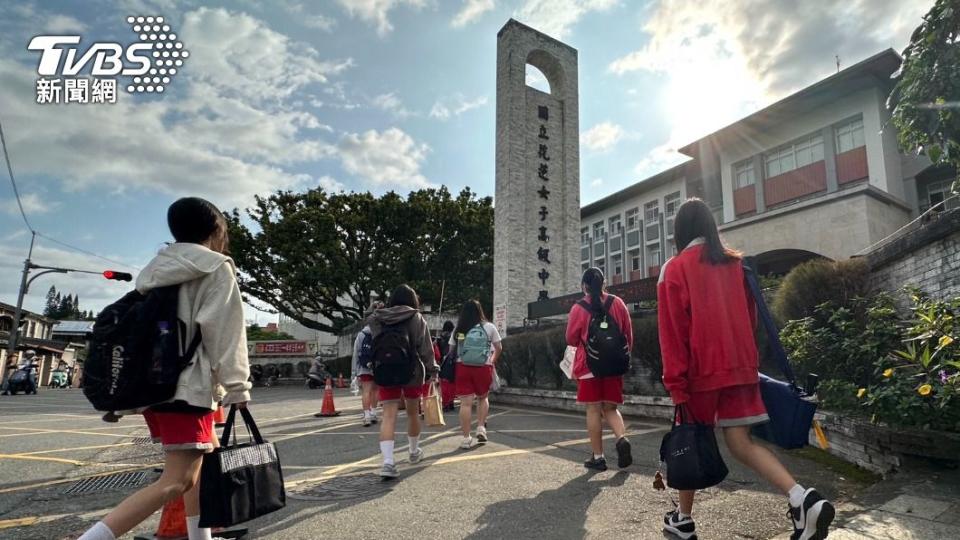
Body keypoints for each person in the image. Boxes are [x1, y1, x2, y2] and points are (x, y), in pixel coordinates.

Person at [657, 198, 834, 540]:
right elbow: (751, 321)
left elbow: (672, 333)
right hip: (741, 370)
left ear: (679, 231)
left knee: (691, 441)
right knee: (741, 442)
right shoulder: (737, 265)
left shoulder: (674, 269)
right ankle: (802, 499)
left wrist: (675, 384)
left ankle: (683, 519)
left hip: (700, 374)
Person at [78, 197, 251, 540]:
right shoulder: (216, 267)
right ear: (216, 230)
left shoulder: (157, 269)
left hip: (155, 386)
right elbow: (225, 332)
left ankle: (200, 536)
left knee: (200, 462)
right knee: (177, 479)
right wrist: (238, 386)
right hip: (186, 388)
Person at [565, 268, 634, 472]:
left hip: (589, 366)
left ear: (584, 286)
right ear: (604, 283)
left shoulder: (579, 308)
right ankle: (622, 439)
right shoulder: (618, 303)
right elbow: (628, 335)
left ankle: (598, 457)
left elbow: (570, 339)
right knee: (611, 409)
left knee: (593, 409)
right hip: (614, 365)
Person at [368, 285, 438, 479]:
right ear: (413, 300)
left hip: (385, 369)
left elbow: (369, 324)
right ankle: (414, 452)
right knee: (413, 413)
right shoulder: (416, 318)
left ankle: (388, 463)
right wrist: (432, 370)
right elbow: (426, 348)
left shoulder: (378, 318)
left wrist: (374, 308)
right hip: (411, 371)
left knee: (388, 416)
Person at [450, 300, 502, 449]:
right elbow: (499, 347)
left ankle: (466, 438)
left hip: (463, 366)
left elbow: (451, 349)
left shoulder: (459, 328)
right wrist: (492, 360)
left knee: (465, 404)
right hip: (483, 366)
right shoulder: (489, 327)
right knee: (483, 398)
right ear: (480, 311)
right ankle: (481, 428)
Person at [352, 302, 383, 427]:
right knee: (376, 390)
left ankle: (366, 416)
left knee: (366, 391)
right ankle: (374, 413)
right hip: (378, 366)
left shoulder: (362, 334)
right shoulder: (381, 332)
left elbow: (356, 354)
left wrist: (354, 372)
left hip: (364, 367)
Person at [436, 321, 457, 411]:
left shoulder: (439, 338)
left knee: (444, 384)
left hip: (442, 362)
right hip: (452, 361)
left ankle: (445, 403)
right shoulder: (453, 337)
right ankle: (451, 402)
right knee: (452, 383)